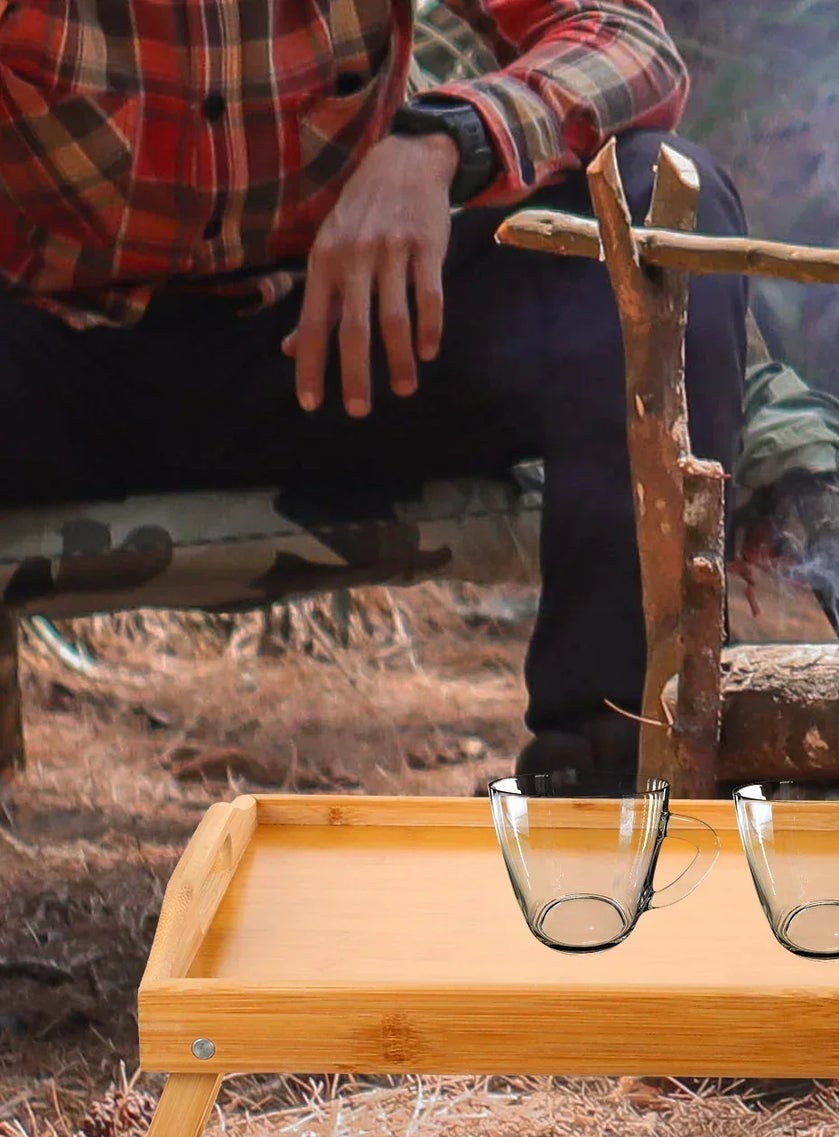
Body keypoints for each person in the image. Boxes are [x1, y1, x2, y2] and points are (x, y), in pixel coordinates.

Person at [0, 0, 749, 775]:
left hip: (351, 343)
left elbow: (625, 40)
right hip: (59, 361)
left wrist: (443, 140)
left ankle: (621, 765)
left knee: (658, 202)